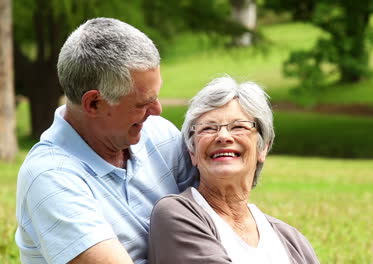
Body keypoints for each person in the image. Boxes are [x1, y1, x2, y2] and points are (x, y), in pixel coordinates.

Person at [15, 17, 197, 264]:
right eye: (143, 103)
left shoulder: (158, 134)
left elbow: (221, 219)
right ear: (94, 103)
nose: (157, 110)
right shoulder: (51, 176)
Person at [148, 76, 320, 264]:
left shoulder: (291, 240)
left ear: (262, 148)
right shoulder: (177, 214)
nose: (223, 136)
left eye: (238, 126)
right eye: (208, 128)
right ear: (192, 152)